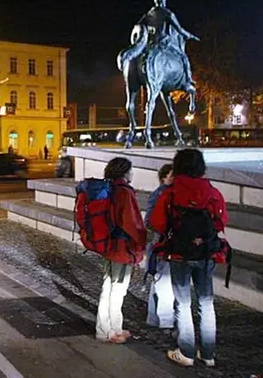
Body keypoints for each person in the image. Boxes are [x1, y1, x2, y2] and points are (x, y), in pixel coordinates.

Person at [148, 149, 228, 368]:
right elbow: (221, 221)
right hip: (206, 253)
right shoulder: (212, 191)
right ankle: (208, 354)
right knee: (206, 301)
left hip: (179, 253)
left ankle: (186, 352)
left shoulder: (171, 192)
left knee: (183, 303)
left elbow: (158, 223)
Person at [93, 157, 147, 344]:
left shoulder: (108, 189)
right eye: (131, 170)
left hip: (109, 245)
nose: (133, 173)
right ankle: (111, 330)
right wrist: (140, 245)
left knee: (108, 286)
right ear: (125, 172)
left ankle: (107, 328)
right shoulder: (124, 192)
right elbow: (132, 222)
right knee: (117, 289)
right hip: (122, 248)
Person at [138, 0, 198, 91]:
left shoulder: (148, 14)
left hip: (151, 44)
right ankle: (188, 79)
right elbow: (180, 29)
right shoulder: (168, 13)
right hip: (164, 43)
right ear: (163, 1)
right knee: (184, 57)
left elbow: (139, 27)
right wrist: (190, 36)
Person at [145, 163, 175, 331]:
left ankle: (153, 318)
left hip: (159, 243)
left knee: (158, 281)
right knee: (164, 282)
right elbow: (149, 221)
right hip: (162, 244)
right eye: (171, 176)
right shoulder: (160, 194)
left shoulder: (165, 193)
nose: (174, 179)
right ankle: (166, 322)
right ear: (163, 178)